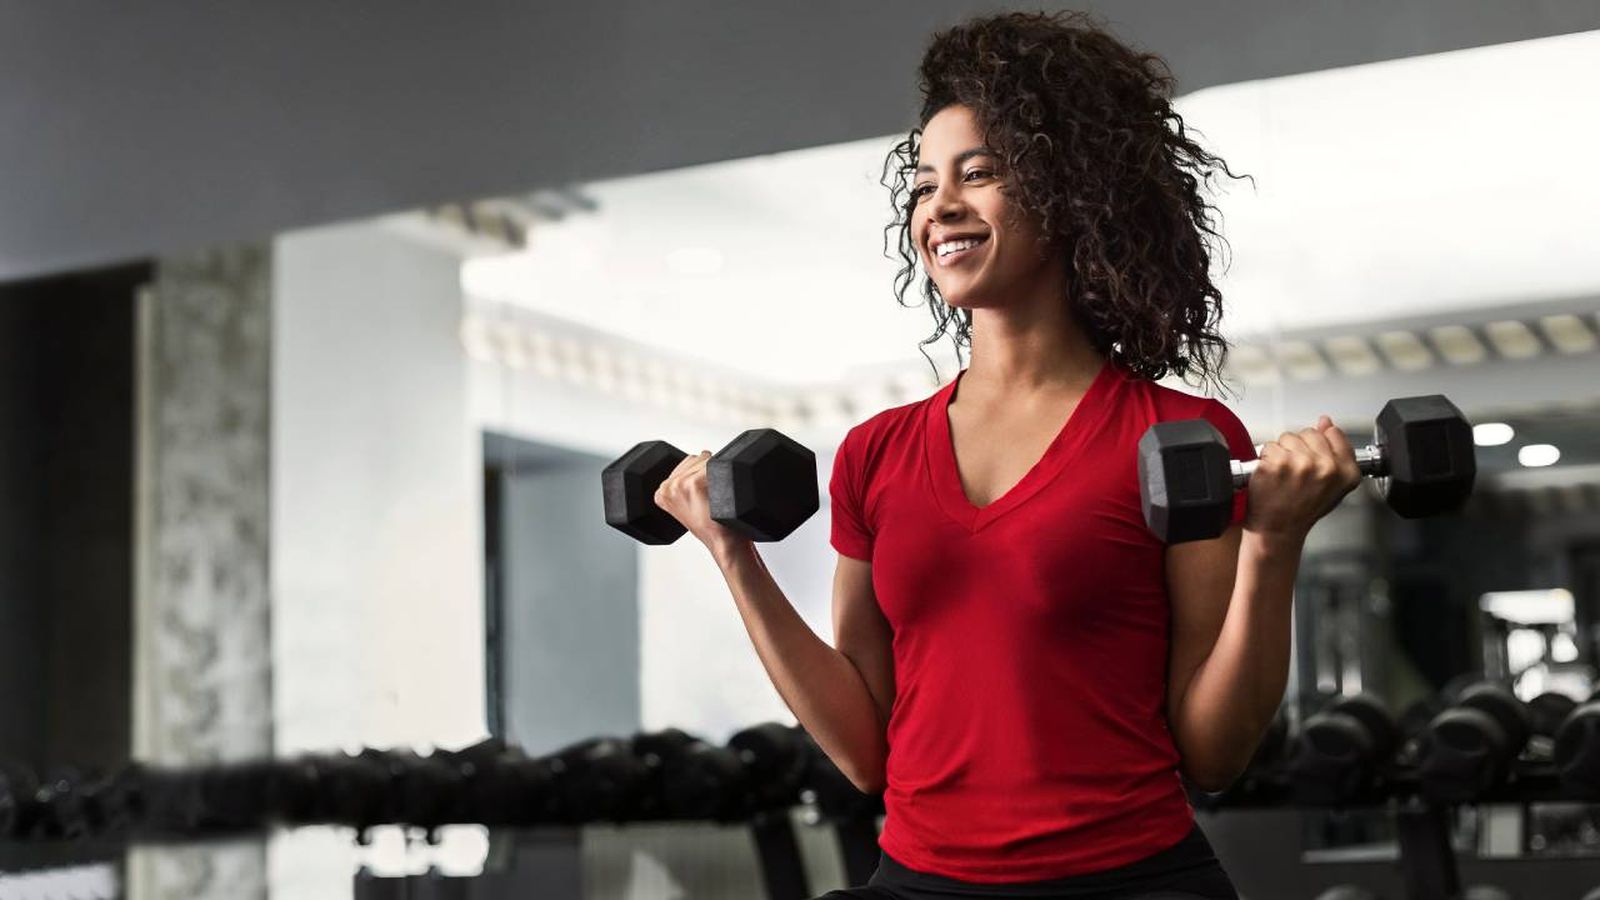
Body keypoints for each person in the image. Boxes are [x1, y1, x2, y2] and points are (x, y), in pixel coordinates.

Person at [653, 10, 1362, 899]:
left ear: (1072, 194)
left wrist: (1275, 543)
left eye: (980, 174)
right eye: (922, 184)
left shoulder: (1176, 440)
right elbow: (864, 754)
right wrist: (734, 558)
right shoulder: (876, 453)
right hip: (919, 882)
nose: (939, 206)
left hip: (1127, 882)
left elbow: (1214, 753)